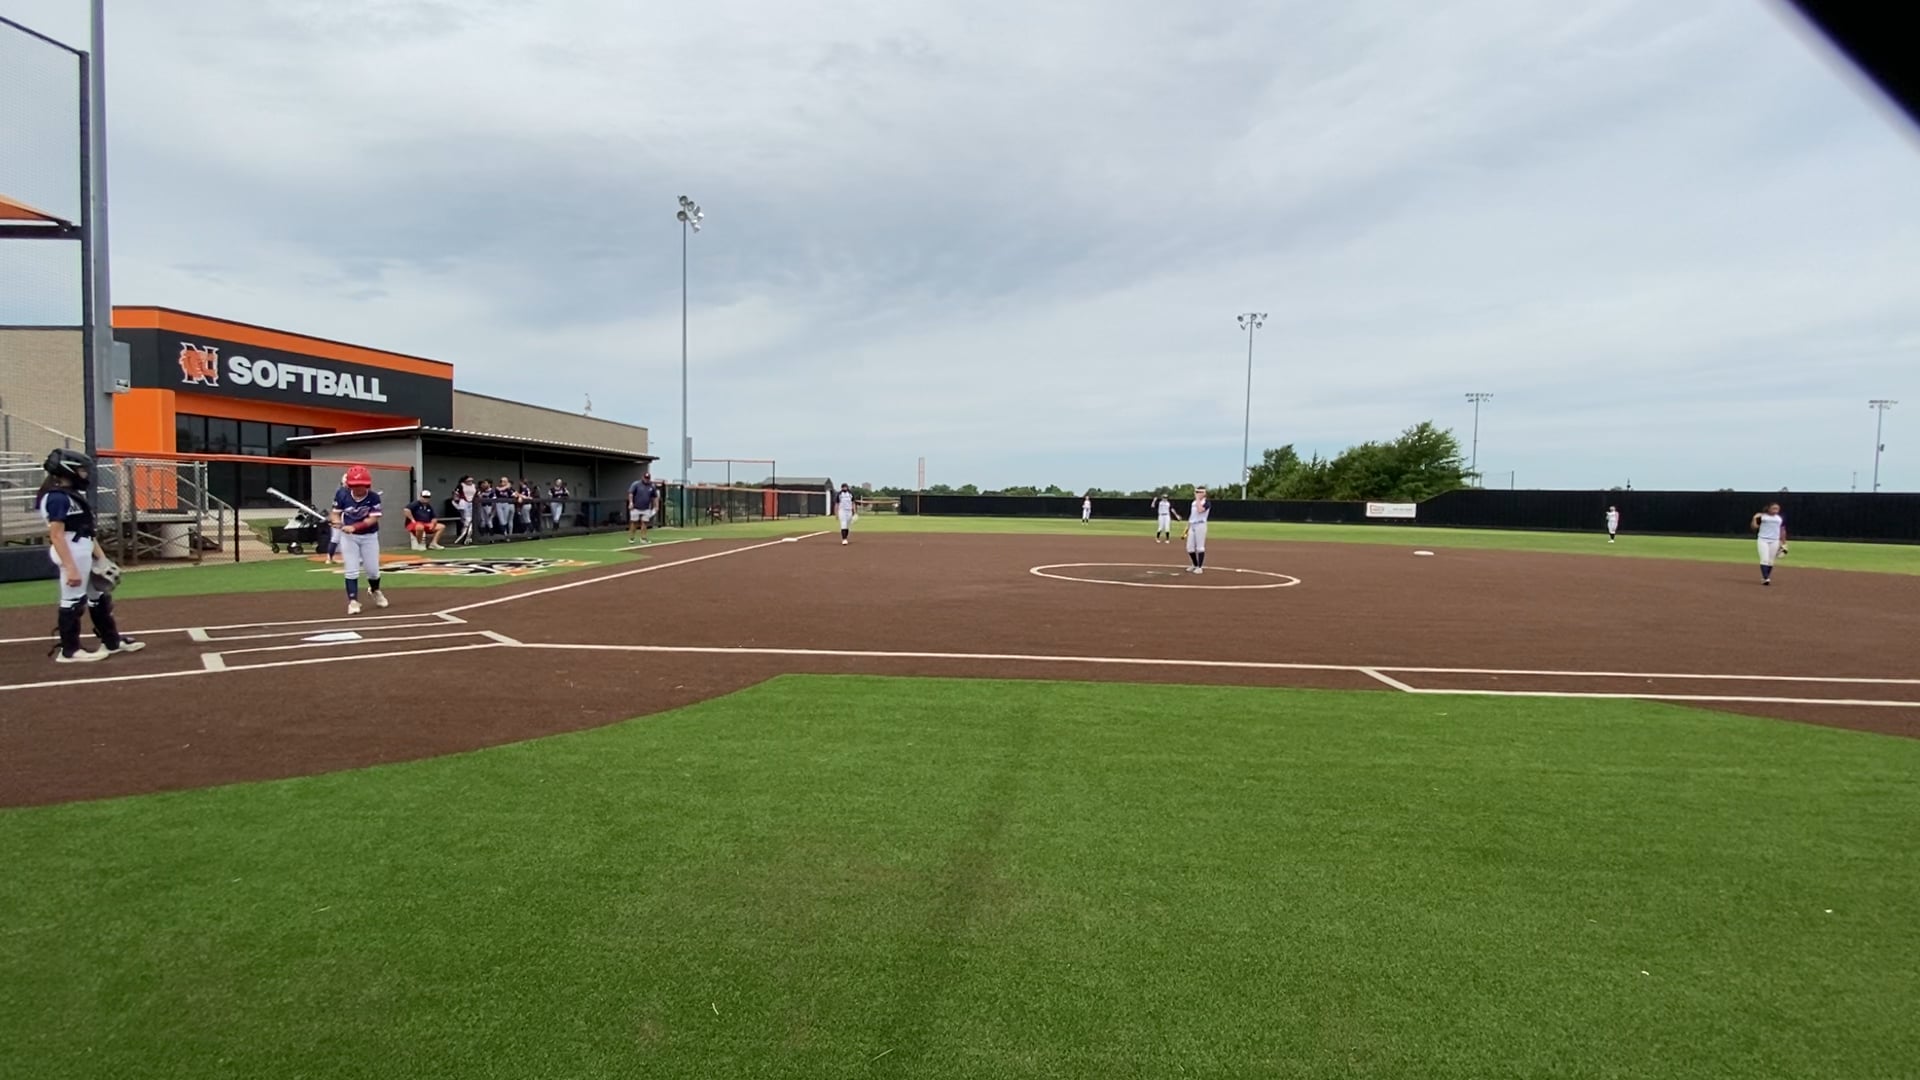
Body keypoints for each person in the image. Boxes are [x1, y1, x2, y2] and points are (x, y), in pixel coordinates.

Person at [36, 448, 144, 663]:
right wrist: (71, 567)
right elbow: (56, 535)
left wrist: (101, 558)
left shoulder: (72, 495)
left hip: (83, 549)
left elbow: (85, 530)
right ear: (67, 470)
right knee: (72, 600)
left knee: (99, 597)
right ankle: (70, 650)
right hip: (71, 551)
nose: (85, 474)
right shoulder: (56, 497)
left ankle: (111, 641)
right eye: (81, 470)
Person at [331, 464, 389, 614]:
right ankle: (353, 601)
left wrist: (355, 527)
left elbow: (372, 519)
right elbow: (335, 513)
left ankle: (375, 590)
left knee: (373, 571)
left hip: (369, 536)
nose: (358, 488)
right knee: (351, 569)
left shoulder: (373, 497)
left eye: (361, 485)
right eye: (355, 485)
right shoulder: (342, 494)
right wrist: (336, 522)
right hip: (349, 538)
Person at [1751, 502, 1788, 586]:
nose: (1776, 510)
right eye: (1774, 508)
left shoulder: (1779, 518)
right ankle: (1765, 578)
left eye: (1777, 509)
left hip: (1774, 541)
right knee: (1764, 559)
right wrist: (1754, 518)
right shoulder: (1762, 516)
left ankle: (1765, 577)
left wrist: (1784, 543)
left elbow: (1782, 530)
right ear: (1768, 508)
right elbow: (1754, 527)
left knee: (1771, 561)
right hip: (1763, 540)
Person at [1183, 485, 1211, 573]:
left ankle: (1200, 567)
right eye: (1197, 492)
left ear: (1204, 493)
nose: (1198, 494)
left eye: (1200, 492)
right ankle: (1194, 564)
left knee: (1200, 547)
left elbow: (1200, 510)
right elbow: (1192, 515)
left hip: (1201, 525)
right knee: (1189, 547)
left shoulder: (1206, 502)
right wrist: (1187, 526)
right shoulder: (1193, 503)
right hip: (1193, 525)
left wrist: (1198, 499)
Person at [627, 472, 658, 544]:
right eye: (645, 478)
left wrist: (656, 506)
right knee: (634, 522)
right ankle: (631, 538)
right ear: (642, 477)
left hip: (646, 508)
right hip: (635, 507)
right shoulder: (636, 484)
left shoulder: (652, 486)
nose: (646, 480)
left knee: (645, 522)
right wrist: (631, 502)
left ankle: (643, 538)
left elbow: (655, 497)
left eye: (648, 478)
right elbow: (631, 493)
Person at [452, 475, 477, 545]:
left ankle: (469, 536)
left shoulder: (474, 486)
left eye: (471, 481)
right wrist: (456, 500)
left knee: (471, 520)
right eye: (468, 481)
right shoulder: (461, 485)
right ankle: (463, 535)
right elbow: (455, 493)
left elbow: (477, 493)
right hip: (463, 502)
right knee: (465, 520)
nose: (470, 482)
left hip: (472, 503)